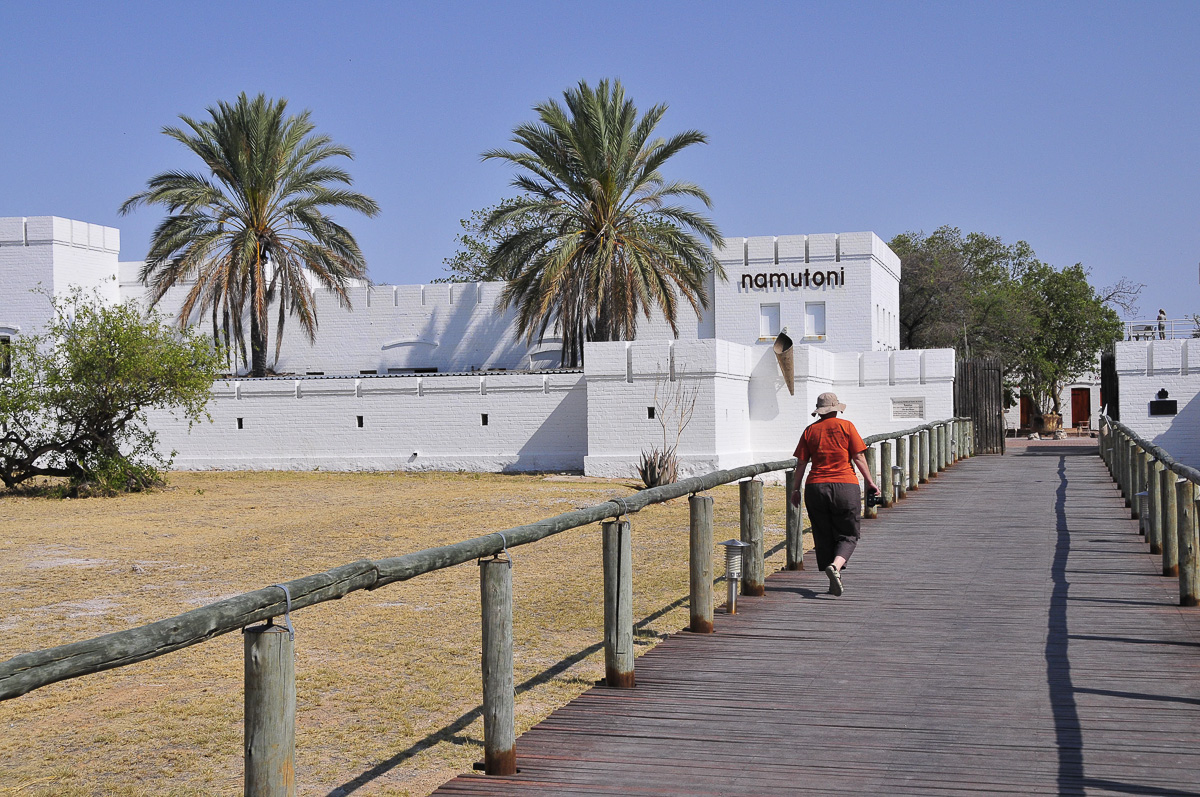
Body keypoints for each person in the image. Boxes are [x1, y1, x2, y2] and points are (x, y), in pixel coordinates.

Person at [790, 392, 879, 596]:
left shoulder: (809, 431)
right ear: (836, 409)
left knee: (823, 534)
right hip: (845, 486)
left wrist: (796, 489)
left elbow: (801, 463)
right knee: (848, 534)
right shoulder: (846, 426)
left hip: (815, 488)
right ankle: (836, 567)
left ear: (819, 411)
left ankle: (833, 580)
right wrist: (870, 482)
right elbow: (858, 456)